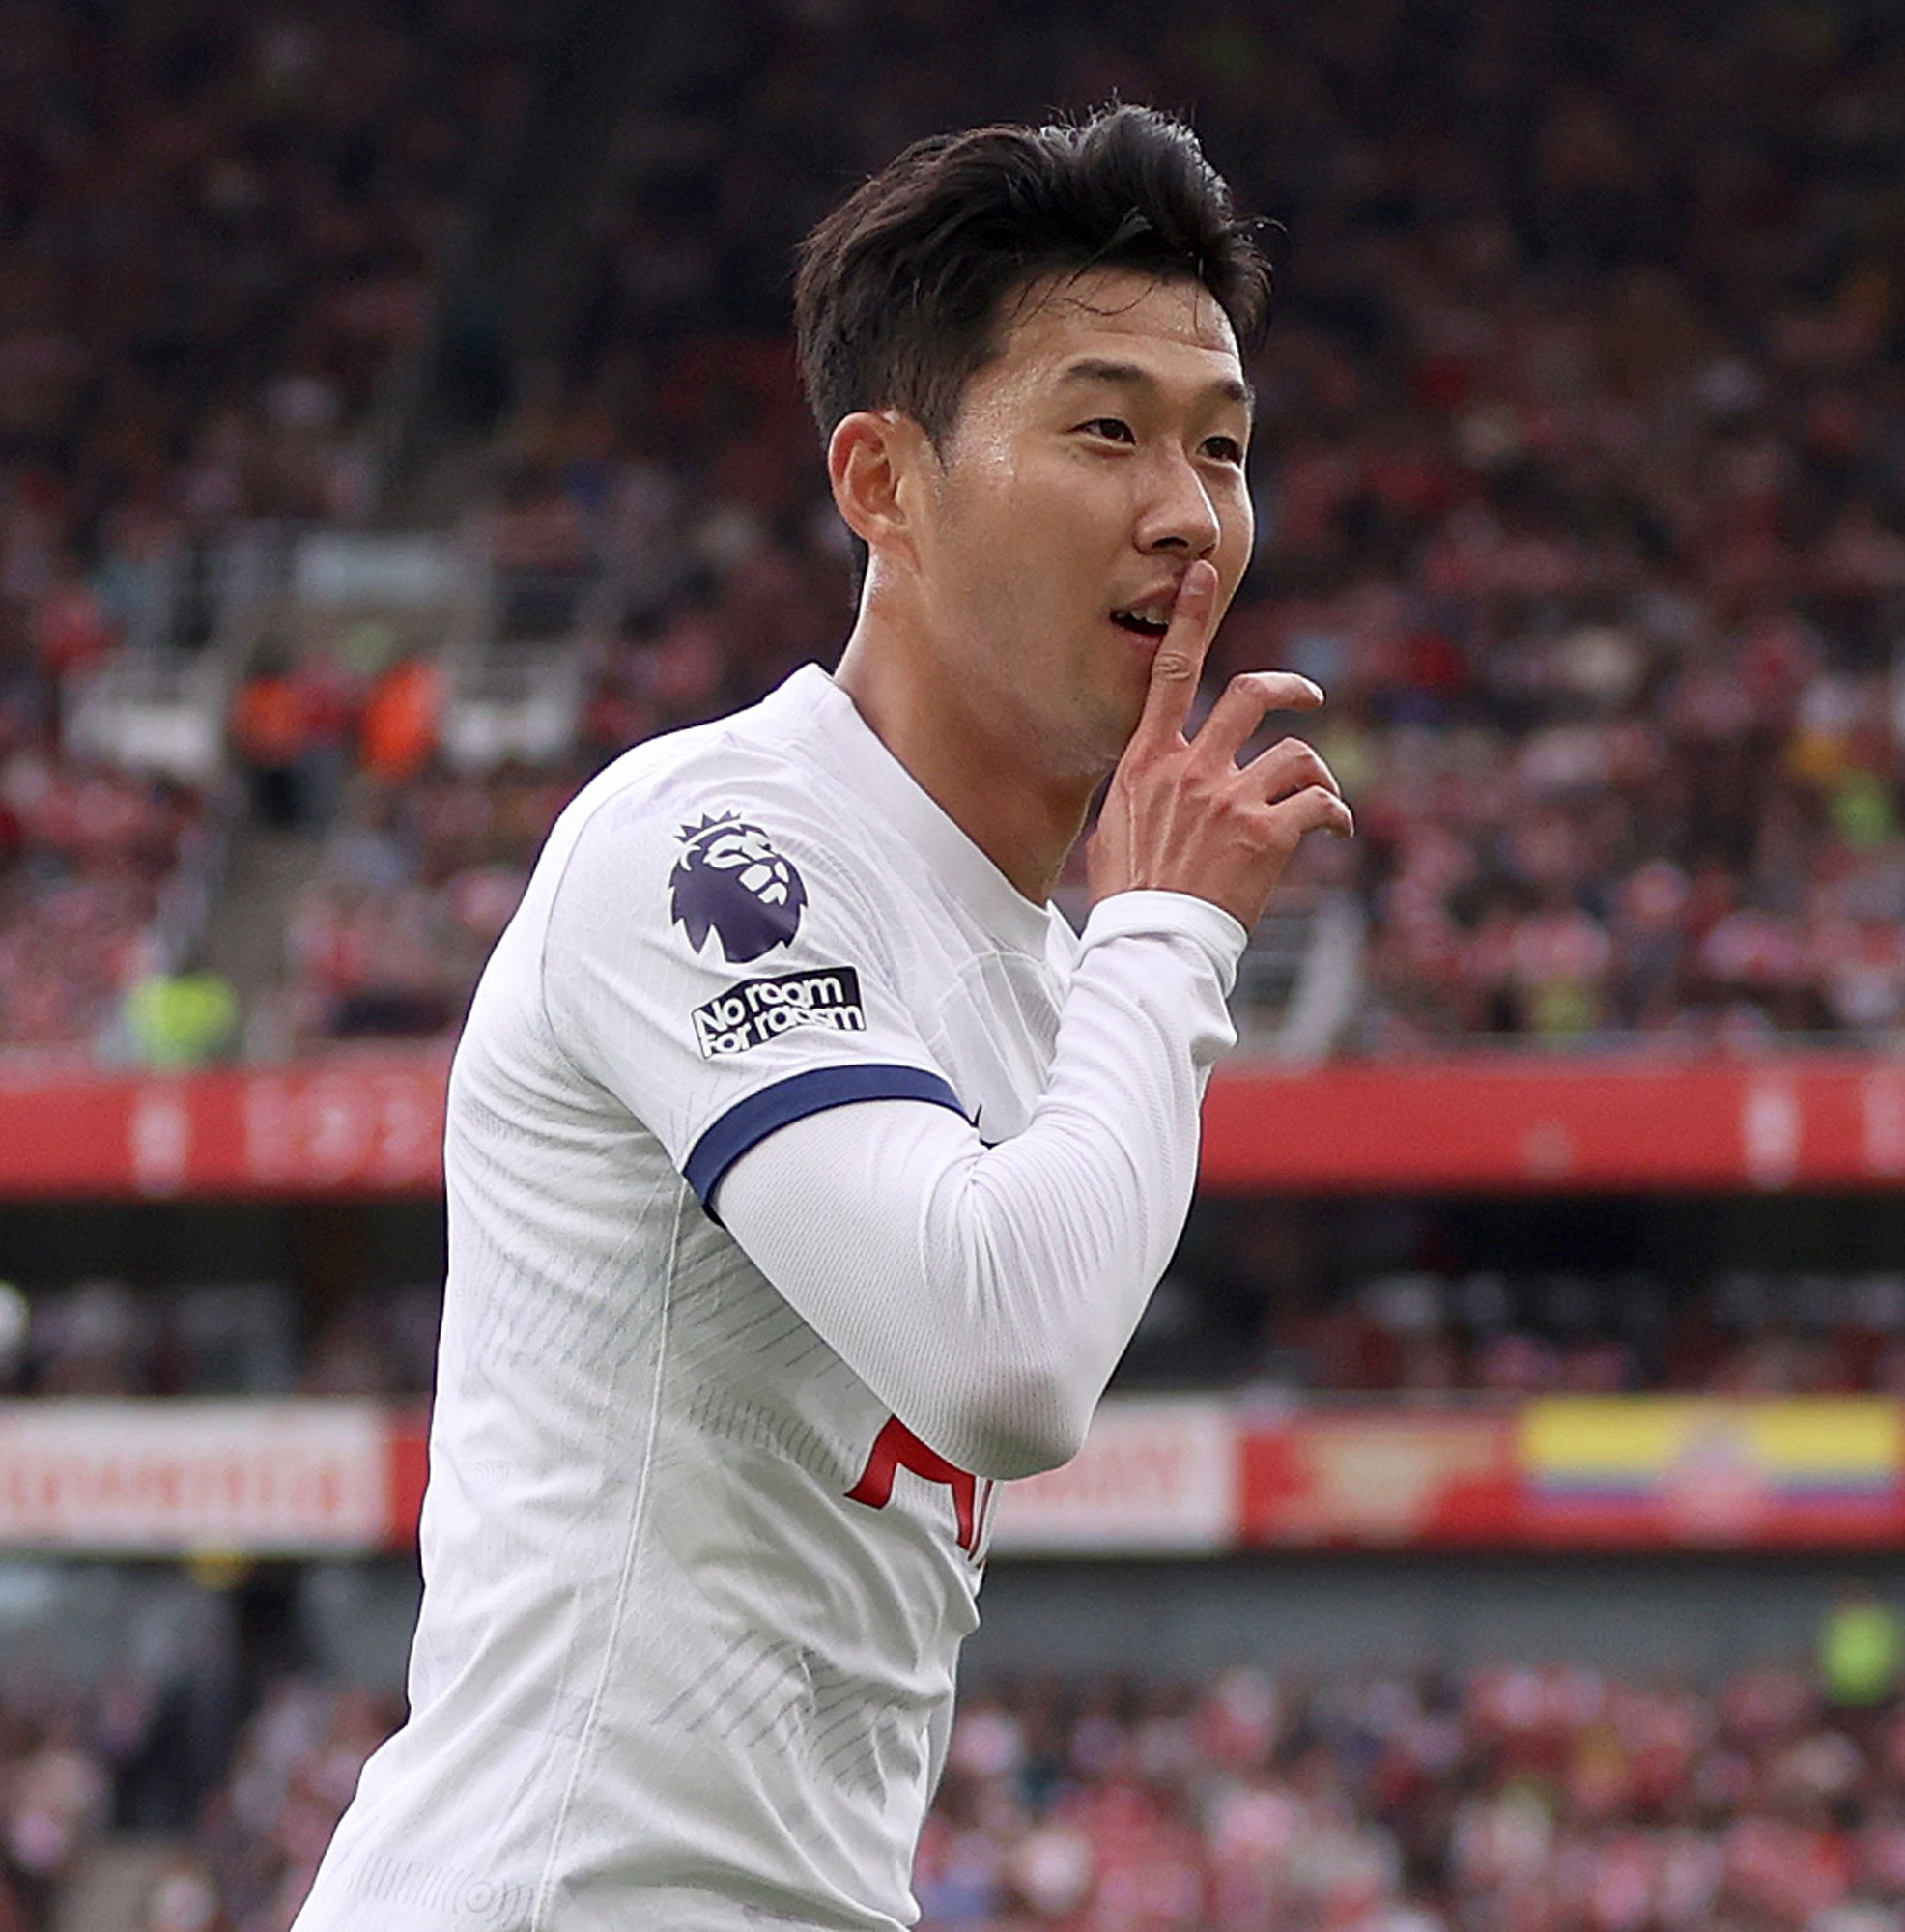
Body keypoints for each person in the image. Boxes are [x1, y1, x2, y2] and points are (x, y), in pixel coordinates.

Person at [291, 104, 1351, 1932]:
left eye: (1224, 447)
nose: (1189, 512)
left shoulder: (1036, 963)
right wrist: (1166, 932)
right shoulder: (714, 849)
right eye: (1106, 429)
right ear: (882, 483)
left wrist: (1126, 947)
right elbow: (1001, 1360)